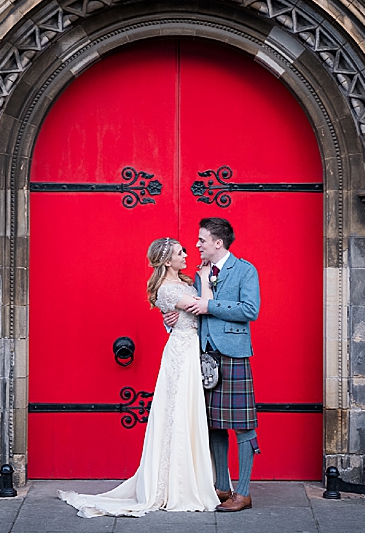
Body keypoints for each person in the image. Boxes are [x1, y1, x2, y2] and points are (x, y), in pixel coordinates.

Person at [58, 237, 220, 518]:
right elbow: (204, 306)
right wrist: (205, 278)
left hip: (189, 348)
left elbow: (184, 316)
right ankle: (174, 485)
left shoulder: (181, 282)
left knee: (189, 414)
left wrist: (172, 318)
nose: (185, 254)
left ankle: (190, 478)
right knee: (178, 414)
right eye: (180, 252)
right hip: (181, 354)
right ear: (167, 261)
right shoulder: (168, 288)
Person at [164, 217, 261, 512]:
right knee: (214, 425)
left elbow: (250, 310)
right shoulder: (198, 274)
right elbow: (188, 308)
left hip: (233, 353)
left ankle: (242, 493)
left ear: (218, 243)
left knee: (243, 425)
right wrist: (172, 320)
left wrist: (210, 305)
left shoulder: (245, 270)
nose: (196, 245)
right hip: (202, 356)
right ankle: (222, 486)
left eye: (202, 240)